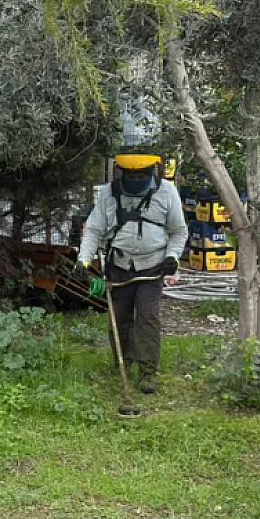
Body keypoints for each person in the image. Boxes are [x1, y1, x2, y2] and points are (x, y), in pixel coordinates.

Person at [77, 153, 189, 393]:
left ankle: (148, 371)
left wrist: (172, 258)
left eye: (141, 175)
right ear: (121, 173)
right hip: (119, 267)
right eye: (131, 175)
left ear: (151, 174)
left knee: (148, 318)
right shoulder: (109, 193)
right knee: (119, 318)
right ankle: (123, 363)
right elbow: (94, 229)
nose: (135, 178)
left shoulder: (167, 192)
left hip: (152, 268)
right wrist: (83, 260)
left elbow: (179, 231)